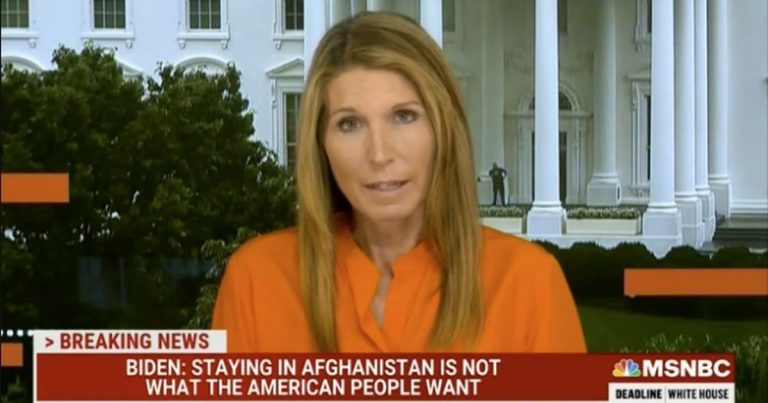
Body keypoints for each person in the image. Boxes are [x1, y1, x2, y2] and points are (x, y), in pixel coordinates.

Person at [212, 12, 585, 353]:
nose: (379, 154)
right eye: (350, 124)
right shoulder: (256, 280)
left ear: (443, 129)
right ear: (320, 143)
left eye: (404, 116)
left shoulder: (529, 284)